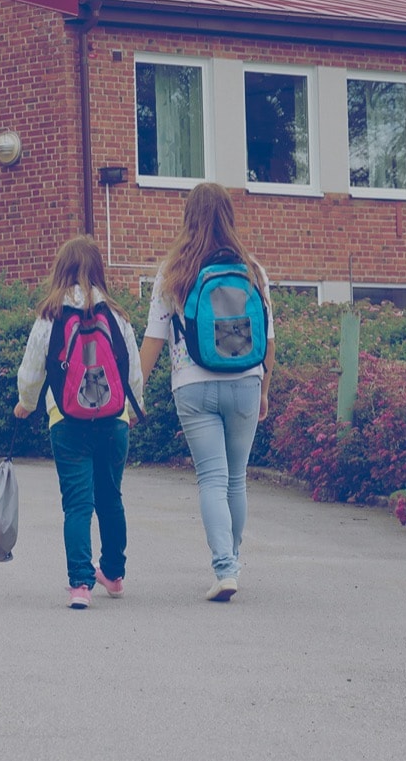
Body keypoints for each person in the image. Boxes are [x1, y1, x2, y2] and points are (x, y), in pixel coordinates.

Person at [140, 182, 275, 602]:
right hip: (246, 382)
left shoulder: (174, 271)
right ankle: (230, 563)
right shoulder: (253, 270)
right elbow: (269, 341)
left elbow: (153, 340)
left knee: (212, 479)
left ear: (188, 217)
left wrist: (133, 394)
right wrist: (264, 389)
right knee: (236, 480)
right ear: (229, 217)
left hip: (193, 386)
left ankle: (225, 567)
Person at [15, 235, 144, 610]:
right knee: (110, 498)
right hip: (114, 420)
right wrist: (132, 413)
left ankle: (81, 586)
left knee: (77, 504)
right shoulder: (117, 317)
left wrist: (26, 404)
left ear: (61, 270)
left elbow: (31, 371)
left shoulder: (50, 317)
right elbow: (132, 373)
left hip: (67, 422)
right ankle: (115, 576)